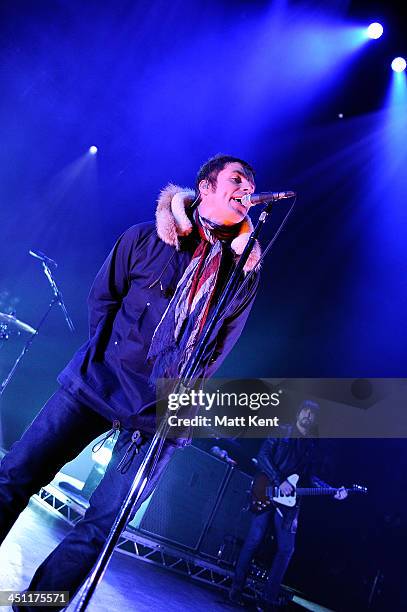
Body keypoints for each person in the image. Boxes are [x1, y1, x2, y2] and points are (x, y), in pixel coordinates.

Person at [0, 154, 262, 610]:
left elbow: (218, 348)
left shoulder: (239, 276)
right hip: (95, 385)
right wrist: (111, 358)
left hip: (156, 412)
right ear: (205, 188)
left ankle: (35, 607)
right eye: (237, 180)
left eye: (252, 185)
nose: (247, 190)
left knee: (100, 527)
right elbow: (103, 299)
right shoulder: (146, 237)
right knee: (15, 476)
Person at [230, 400, 348, 611]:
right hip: (266, 489)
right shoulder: (282, 430)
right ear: (298, 412)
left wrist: (332, 490)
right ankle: (235, 591)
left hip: (289, 502)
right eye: (305, 410)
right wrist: (278, 480)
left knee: (287, 548)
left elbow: (309, 476)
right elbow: (263, 456)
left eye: (313, 414)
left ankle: (267, 599)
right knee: (254, 539)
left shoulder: (312, 445)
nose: (308, 416)